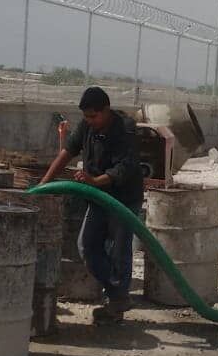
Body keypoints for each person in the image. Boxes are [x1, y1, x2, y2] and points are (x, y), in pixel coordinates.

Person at [39, 86, 144, 325]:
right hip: (98, 197)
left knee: (119, 252)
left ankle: (116, 304)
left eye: (93, 116)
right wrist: (43, 186)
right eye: (86, 116)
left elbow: (123, 169)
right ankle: (118, 293)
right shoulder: (87, 126)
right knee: (86, 248)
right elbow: (66, 153)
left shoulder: (124, 129)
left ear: (106, 110)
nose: (89, 121)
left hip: (123, 199)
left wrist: (94, 181)